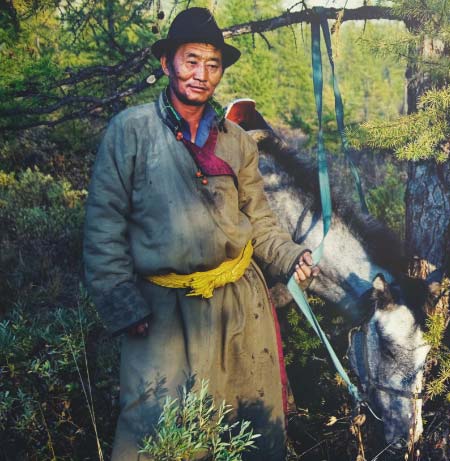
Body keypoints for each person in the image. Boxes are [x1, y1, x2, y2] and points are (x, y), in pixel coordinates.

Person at [83, 8, 316, 460]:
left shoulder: (237, 141)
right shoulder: (130, 131)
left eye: (212, 64)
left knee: (245, 432)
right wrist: (121, 302)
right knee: (151, 433)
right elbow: (103, 226)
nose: (201, 74)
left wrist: (290, 257)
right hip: (161, 311)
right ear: (167, 62)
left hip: (239, 309)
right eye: (191, 60)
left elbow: (261, 220)